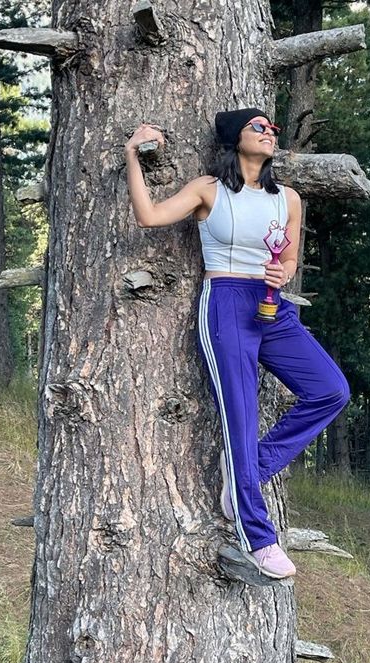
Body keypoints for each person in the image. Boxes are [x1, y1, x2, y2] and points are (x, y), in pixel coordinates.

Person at [124, 107, 350, 580]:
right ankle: (258, 538)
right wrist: (131, 156)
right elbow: (148, 216)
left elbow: (289, 258)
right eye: (259, 127)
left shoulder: (288, 198)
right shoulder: (209, 190)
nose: (270, 133)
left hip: (271, 305)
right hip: (225, 303)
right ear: (236, 138)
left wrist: (283, 273)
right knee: (241, 417)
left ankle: (250, 467)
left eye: (273, 128)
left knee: (331, 389)